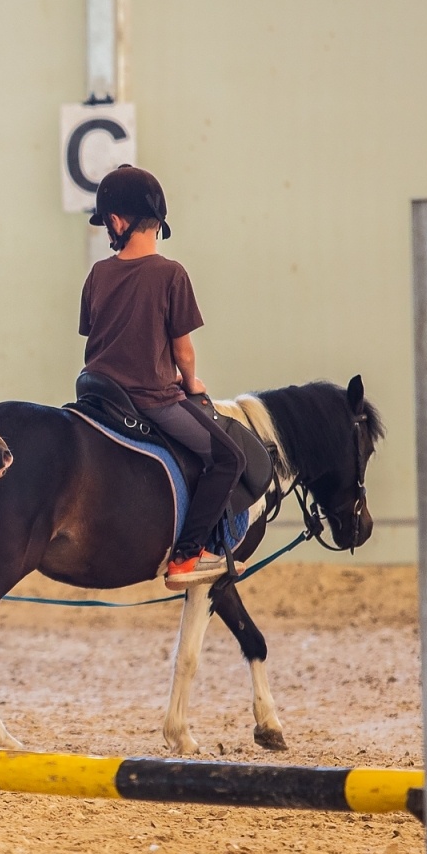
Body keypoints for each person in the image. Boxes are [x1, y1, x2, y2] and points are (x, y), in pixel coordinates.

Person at [79, 164, 245, 590]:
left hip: (97, 394)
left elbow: (98, 334)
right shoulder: (171, 274)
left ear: (116, 222)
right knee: (230, 459)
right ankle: (187, 558)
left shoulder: (98, 274)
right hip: (151, 400)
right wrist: (192, 384)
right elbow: (182, 350)